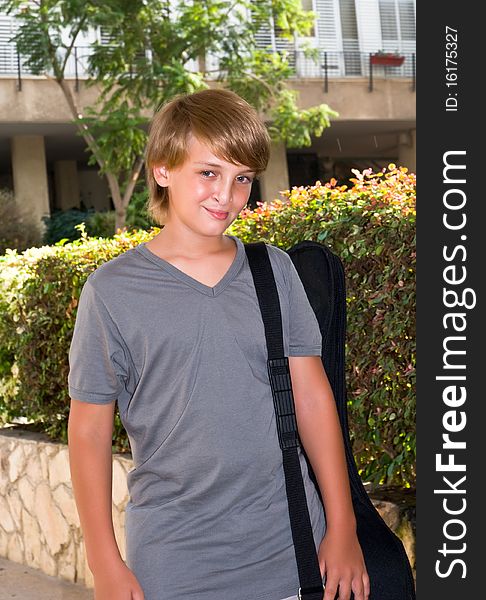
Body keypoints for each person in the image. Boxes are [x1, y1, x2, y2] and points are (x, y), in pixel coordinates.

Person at [67, 88, 370, 600]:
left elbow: (314, 400)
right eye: (209, 172)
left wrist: (343, 527)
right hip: (173, 560)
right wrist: (104, 562)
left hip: (292, 548)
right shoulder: (112, 291)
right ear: (163, 169)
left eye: (242, 178)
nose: (226, 195)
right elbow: (89, 432)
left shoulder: (273, 270)